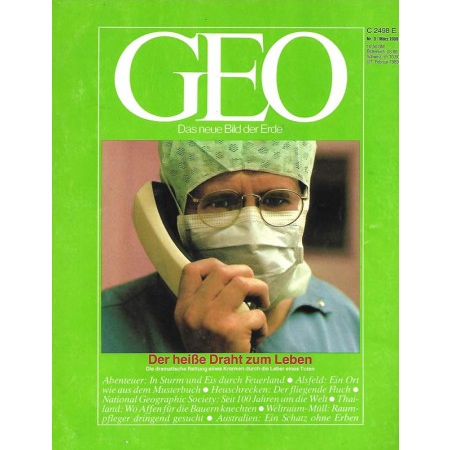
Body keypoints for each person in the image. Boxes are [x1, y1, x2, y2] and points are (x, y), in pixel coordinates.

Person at [102, 140, 359, 353]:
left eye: (276, 200)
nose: (253, 230)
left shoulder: (343, 320)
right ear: (174, 216)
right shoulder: (104, 326)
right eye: (221, 202)